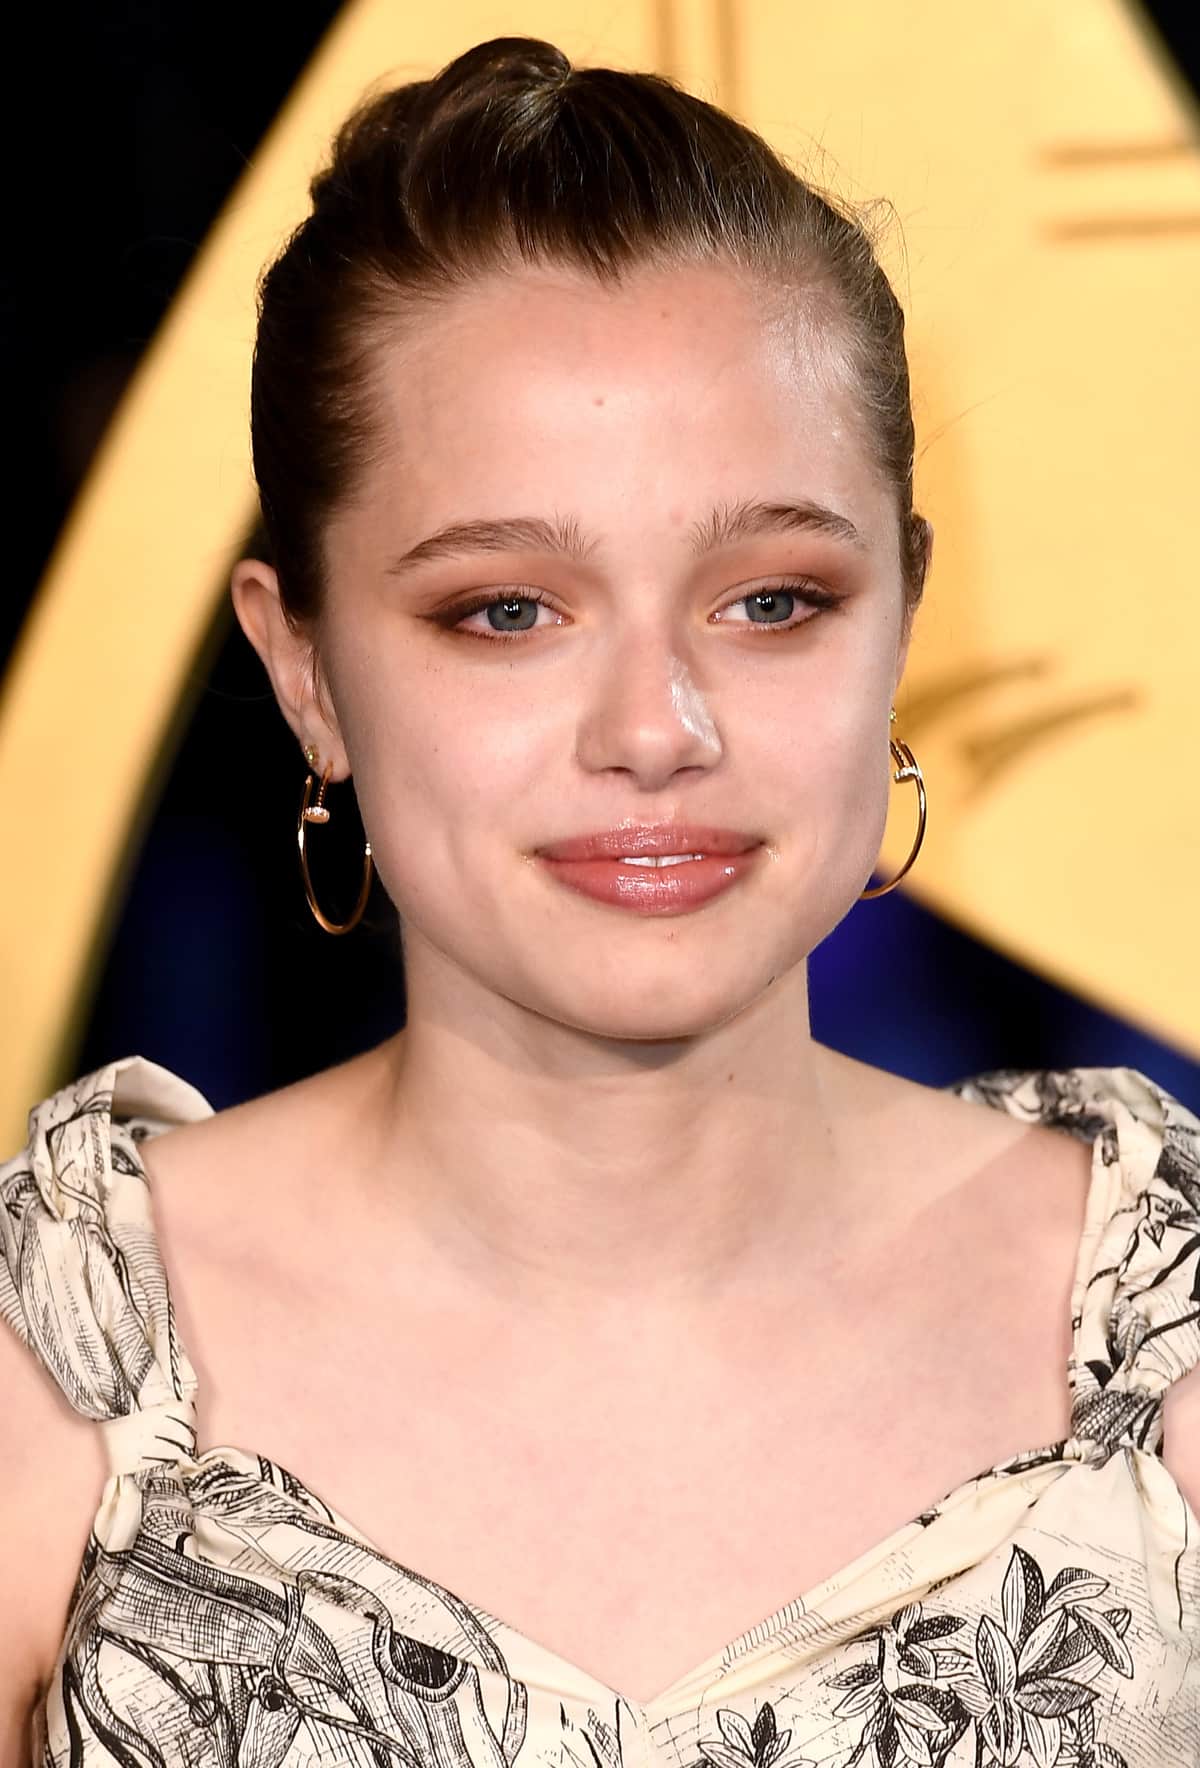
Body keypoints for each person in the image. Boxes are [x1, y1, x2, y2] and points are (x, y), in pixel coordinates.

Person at [2, 33, 1197, 1766]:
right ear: (303, 669)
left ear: (903, 621)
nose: (658, 726)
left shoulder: (1166, 1336)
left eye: (774, 600)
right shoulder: (55, 1366)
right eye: (506, 610)